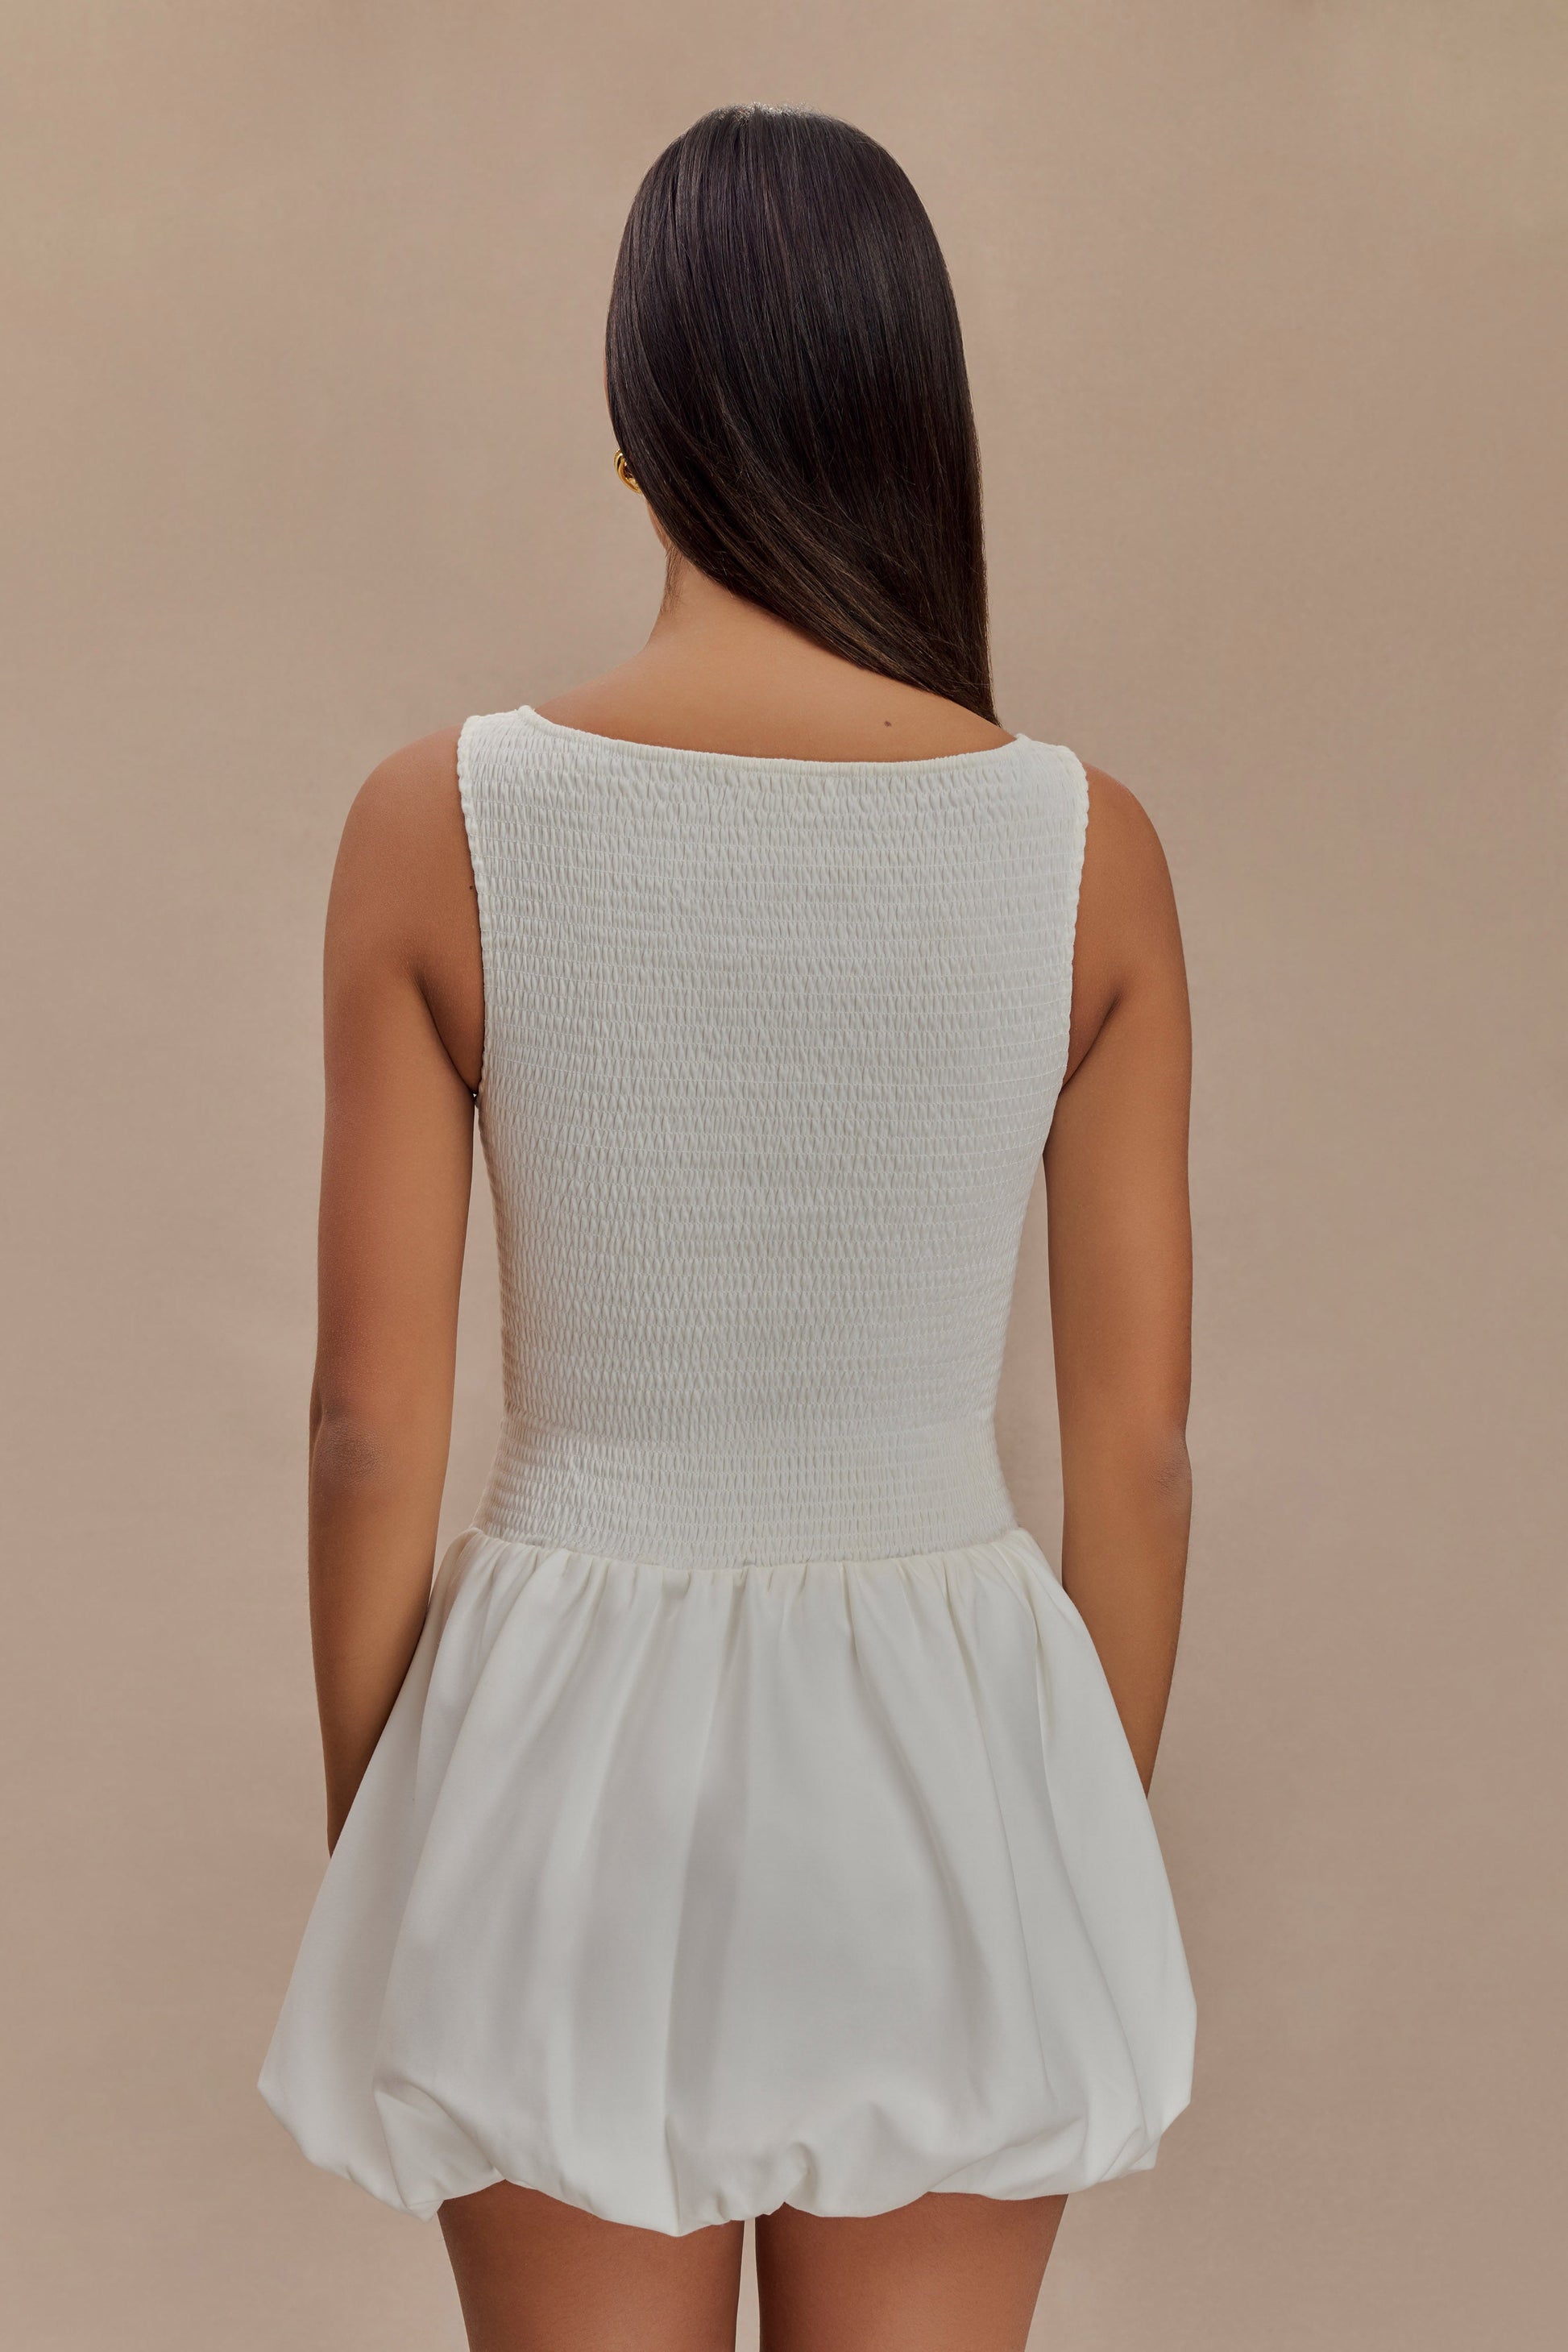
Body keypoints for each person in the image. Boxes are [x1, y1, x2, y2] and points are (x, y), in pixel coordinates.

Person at [259, 103, 1197, 2352]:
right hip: (955, 1738)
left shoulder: (438, 818)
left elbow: (367, 1429)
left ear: (633, 424)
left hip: (553, 1751)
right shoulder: (1084, 849)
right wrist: (1070, 1825)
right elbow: (1144, 1456)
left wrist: (394, 1835)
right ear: (912, 404)